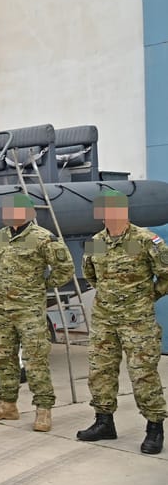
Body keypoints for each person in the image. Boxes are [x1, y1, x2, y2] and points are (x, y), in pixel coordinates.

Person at [75, 188, 168, 454]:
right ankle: (104, 422)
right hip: (105, 320)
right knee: (100, 371)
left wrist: (149, 295)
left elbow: (166, 273)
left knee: (143, 373)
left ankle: (154, 427)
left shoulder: (146, 240)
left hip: (137, 321)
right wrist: (107, 295)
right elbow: (90, 274)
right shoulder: (96, 241)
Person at [0, 194, 74, 431]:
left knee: (35, 360)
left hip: (29, 310)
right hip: (2, 309)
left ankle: (43, 410)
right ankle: (7, 405)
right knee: (2, 358)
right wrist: (4, 283)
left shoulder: (42, 238)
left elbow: (65, 268)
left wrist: (43, 285)